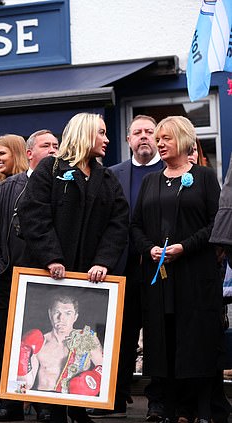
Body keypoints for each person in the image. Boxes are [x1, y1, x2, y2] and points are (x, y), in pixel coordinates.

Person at [18, 112, 129, 423]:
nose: (107, 140)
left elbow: (118, 225)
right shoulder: (50, 170)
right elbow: (33, 215)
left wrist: (103, 262)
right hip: (49, 277)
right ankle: (49, 408)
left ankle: (77, 407)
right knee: (50, 344)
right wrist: (51, 257)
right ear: (84, 134)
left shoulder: (107, 179)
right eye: (102, 133)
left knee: (81, 341)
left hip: (89, 282)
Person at [130, 116, 224, 423]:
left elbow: (216, 223)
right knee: (163, 340)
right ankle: (168, 408)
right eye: (158, 139)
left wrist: (185, 246)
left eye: (166, 138)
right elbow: (136, 226)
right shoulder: (151, 181)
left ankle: (200, 409)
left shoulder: (205, 177)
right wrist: (149, 248)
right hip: (159, 280)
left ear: (184, 140)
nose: (159, 143)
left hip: (195, 276)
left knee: (195, 342)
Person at [90, 115, 165, 419]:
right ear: (128, 139)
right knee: (119, 337)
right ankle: (116, 398)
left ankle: (158, 402)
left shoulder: (169, 169)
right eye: (138, 132)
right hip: (120, 269)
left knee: (159, 336)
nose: (144, 137)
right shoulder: (112, 174)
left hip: (158, 267)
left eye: (150, 132)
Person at [0, 129, 58, 422]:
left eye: (56, 145)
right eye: (46, 146)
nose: (53, 150)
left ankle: (43, 405)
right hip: (8, 277)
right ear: (29, 153)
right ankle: (10, 404)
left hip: (46, 281)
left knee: (39, 343)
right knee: (8, 343)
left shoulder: (61, 185)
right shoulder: (9, 187)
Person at [16, 295, 103, 394]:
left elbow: (105, 368)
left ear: (75, 316)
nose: (61, 318)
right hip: (44, 403)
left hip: (74, 403)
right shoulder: (39, 342)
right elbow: (23, 387)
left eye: (68, 313)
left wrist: (95, 378)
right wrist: (23, 356)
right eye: (57, 312)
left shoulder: (87, 339)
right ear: (50, 314)